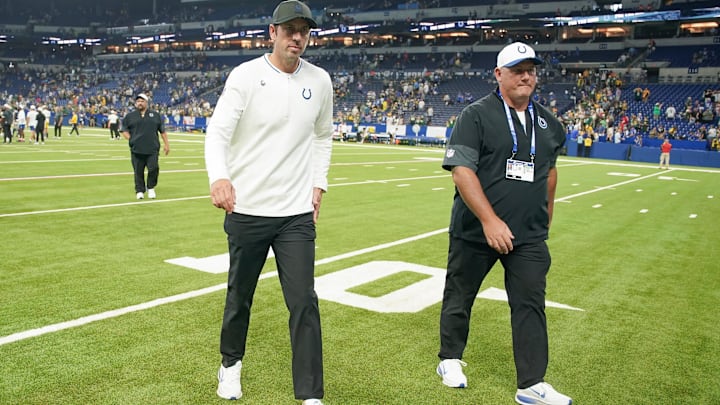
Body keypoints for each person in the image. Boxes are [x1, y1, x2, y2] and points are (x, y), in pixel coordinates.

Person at [203, 1, 333, 404]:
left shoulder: (321, 81)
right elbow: (217, 133)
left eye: (304, 31)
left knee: (304, 302)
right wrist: (219, 177)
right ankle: (230, 366)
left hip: (295, 214)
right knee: (239, 296)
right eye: (290, 29)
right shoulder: (245, 76)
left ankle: (310, 394)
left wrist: (318, 182)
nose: (297, 37)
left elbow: (323, 135)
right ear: (272, 33)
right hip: (248, 209)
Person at [437, 42, 572, 405]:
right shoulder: (476, 115)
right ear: (499, 75)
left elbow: (550, 173)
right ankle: (450, 358)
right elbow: (462, 172)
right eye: (517, 69)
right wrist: (490, 220)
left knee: (530, 304)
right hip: (475, 229)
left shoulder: (550, 124)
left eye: (530, 69)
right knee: (460, 295)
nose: (526, 75)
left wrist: (546, 217)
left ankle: (531, 384)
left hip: (528, 235)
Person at [121, 93, 170, 200]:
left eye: (142, 101)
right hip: (137, 149)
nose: (140, 103)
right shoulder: (130, 116)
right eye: (138, 101)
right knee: (138, 170)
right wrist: (132, 139)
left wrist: (167, 144)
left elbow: (162, 131)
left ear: (146, 103)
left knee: (154, 168)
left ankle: (151, 187)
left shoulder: (155, 115)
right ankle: (139, 190)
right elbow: (124, 130)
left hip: (152, 148)